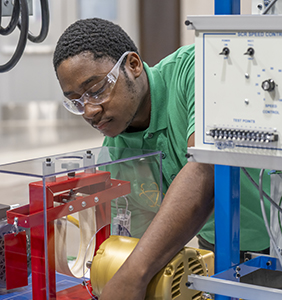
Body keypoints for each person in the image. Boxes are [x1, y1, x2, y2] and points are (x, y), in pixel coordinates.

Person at [53, 18, 269, 299]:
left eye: (96, 90)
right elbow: (137, 240)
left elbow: (205, 170)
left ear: (133, 65)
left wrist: (132, 276)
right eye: (76, 102)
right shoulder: (116, 150)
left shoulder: (196, 69)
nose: (90, 111)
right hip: (220, 249)